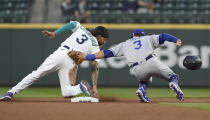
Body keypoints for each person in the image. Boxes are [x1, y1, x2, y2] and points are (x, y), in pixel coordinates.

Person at [0, 21, 109, 101]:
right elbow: (95, 67)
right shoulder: (96, 47)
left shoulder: (81, 28)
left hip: (61, 53)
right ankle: (81, 87)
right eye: (104, 39)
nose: (104, 42)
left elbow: (71, 24)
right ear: (99, 36)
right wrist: (94, 87)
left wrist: (55, 33)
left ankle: (10, 92)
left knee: (36, 74)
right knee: (66, 92)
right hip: (71, 62)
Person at [70, 29, 184, 103]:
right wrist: (176, 40)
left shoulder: (125, 44)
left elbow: (105, 53)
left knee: (145, 80)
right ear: (142, 35)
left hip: (137, 69)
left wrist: (86, 57)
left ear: (132, 36)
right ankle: (173, 83)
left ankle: (141, 89)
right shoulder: (148, 38)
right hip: (151, 61)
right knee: (173, 77)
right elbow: (163, 35)